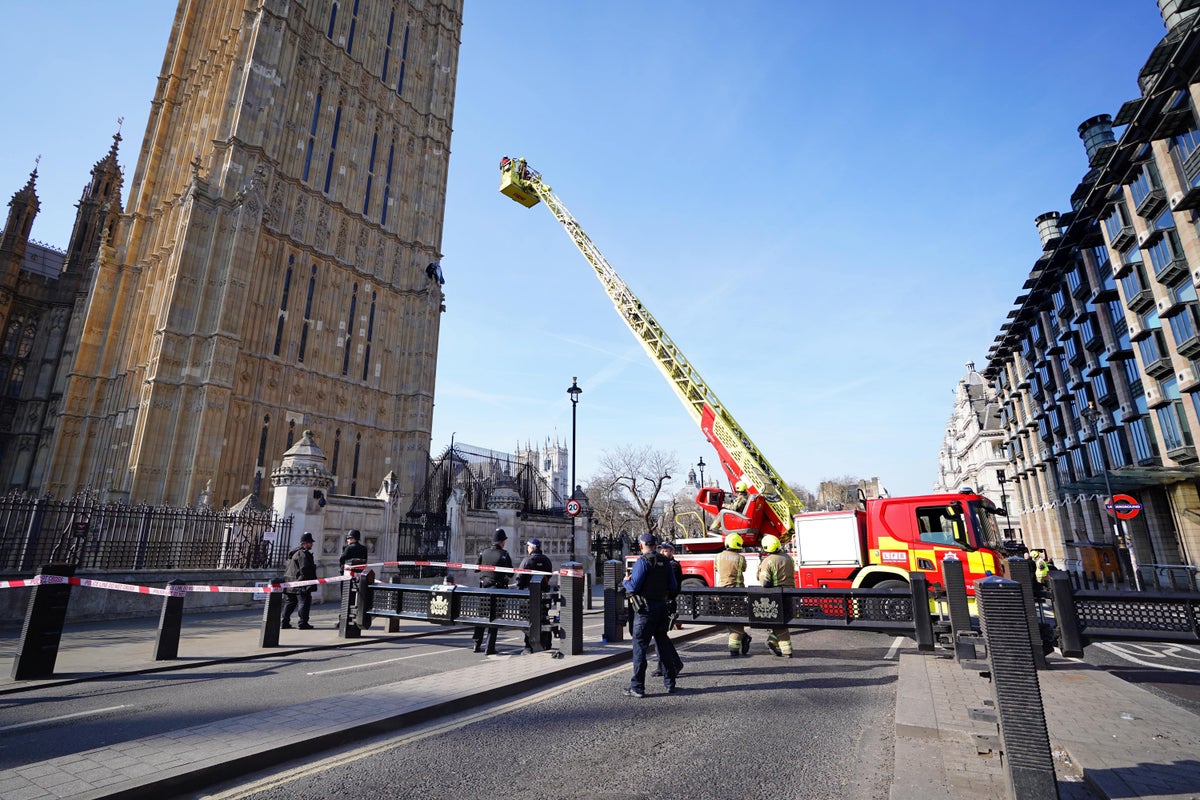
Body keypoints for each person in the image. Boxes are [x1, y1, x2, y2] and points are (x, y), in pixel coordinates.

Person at [622, 533, 681, 697]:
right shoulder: (666, 562)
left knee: (640, 647)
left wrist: (625, 580)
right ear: (656, 545)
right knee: (663, 645)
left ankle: (637, 687)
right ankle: (670, 683)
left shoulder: (642, 561)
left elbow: (633, 586)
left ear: (642, 546)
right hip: (662, 608)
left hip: (645, 611)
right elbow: (674, 586)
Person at [473, 528, 512, 655]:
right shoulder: (504, 555)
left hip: (483, 588)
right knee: (494, 619)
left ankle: (476, 644)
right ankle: (489, 648)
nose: (504, 543)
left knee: (481, 616)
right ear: (501, 542)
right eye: (504, 541)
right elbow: (510, 573)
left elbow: (476, 568)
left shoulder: (483, 552)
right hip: (497, 589)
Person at [757, 534, 796, 658]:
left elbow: (765, 582)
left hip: (777, 596)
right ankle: (772, 641)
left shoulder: (768, 561)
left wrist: (760, 570)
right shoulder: (788, 558)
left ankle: (786, 650)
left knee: (778, 623)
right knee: (781, 622)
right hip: (791, 595)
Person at [651, 540, 685, 678]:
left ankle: (672, 664)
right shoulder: (665, 564)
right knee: (660, 636)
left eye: (667, 550)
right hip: (663, 603)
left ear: (672, 552)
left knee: (661, 636)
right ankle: (666, 664)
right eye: (662, 550)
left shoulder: (673, 566)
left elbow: (668, 586)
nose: (664, 552)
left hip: (667, 604)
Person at [516, 538, 553, 653]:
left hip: (529, 595)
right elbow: (549, 575)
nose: (527, 549)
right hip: (544, 595)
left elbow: (519, 578)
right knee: (544, 618)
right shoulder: (547, 560)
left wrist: (520, 588)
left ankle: (528, 646)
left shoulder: (527, 561)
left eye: (528, 547)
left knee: (529, 620)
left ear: (532, 548)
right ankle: (546, 643)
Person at [716, 532, 750, 656]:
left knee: (727, 618)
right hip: (737, 593)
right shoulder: (741, 558)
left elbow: (717, 569)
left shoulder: (718, 556)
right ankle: (742, 638)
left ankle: (737, 644)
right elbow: (744, 569)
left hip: (722, 592)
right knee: (737, 617)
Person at [282, 532, 317, 630]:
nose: (312, 544)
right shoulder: (303, 554)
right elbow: (305, 569)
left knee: (290, 603)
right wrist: (308, 583)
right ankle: (303, 623)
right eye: (310, 542)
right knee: (304, 603)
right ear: (305, 543)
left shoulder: (296, 553)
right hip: (300, 583)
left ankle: (284, 622)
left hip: (290, 582)